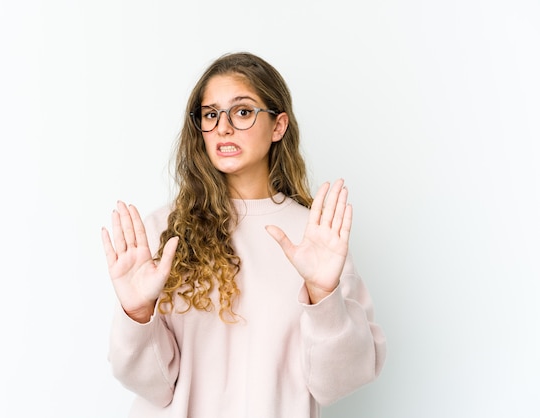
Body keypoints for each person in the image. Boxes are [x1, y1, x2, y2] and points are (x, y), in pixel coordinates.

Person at [101, 52, 386, 418]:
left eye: (243, 111)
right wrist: (137, 313)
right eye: (210, 114)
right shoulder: (161, 233)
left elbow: (338, 383)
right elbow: (153, 387)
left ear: (278, 125)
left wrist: (323, 295)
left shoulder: (315, 238)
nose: (223, 128)